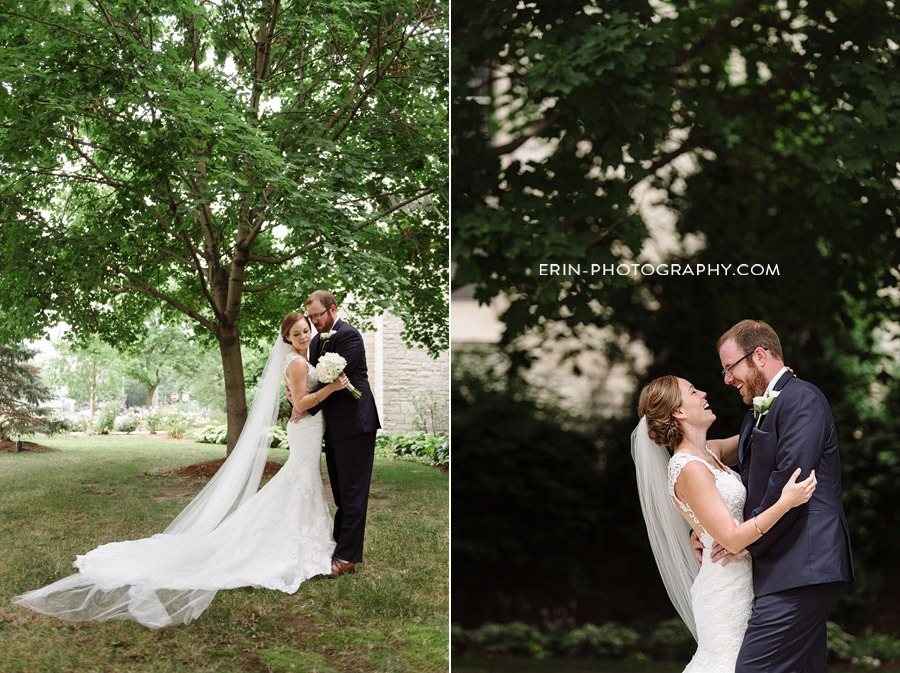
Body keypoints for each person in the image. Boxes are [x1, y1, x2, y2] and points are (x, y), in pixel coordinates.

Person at [12, 313, 349, 628]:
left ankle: (309, 541)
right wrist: (333, 387)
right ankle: (294, 544)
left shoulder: (302, 358)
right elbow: (302, 403)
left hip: (309, 429)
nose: (304, 335)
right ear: (286, 338)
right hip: (305, 429)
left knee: (301, 481)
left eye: (306, 330)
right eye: (296, 333)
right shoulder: (296, 362)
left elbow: (299, 399)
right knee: (298, 480)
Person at [632, 375, 817, 672]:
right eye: (693, 391)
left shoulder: (709, 453)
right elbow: (731, 540)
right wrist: (786, 502)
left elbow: (759, 437)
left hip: (744, 579)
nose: (703, 392)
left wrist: (779, 390)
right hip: (724, 590)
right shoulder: (689, 468)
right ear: (678, 412)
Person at [715, 319, 854, 673]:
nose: (727, 380)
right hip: (786, 566)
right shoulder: (758, 413)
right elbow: (742, 481)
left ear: (759, 355)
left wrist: (743, 539)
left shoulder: (802, 398)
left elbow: (789, 480)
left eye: (730, 368)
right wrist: (707, 529)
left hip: (803, 565)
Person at [291, 290, 381, 577]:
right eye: (311, 316)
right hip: (333, 428)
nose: (314, 321)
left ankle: (347, 557)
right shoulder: (317, 340)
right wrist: (297, 398)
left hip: (356, 424)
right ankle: (338, 547)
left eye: (318, 315)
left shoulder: (350, 336)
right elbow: (314, 379)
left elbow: (337, 382)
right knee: (342, 493)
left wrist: (306, 406)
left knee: (354, 493)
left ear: (332, 310)